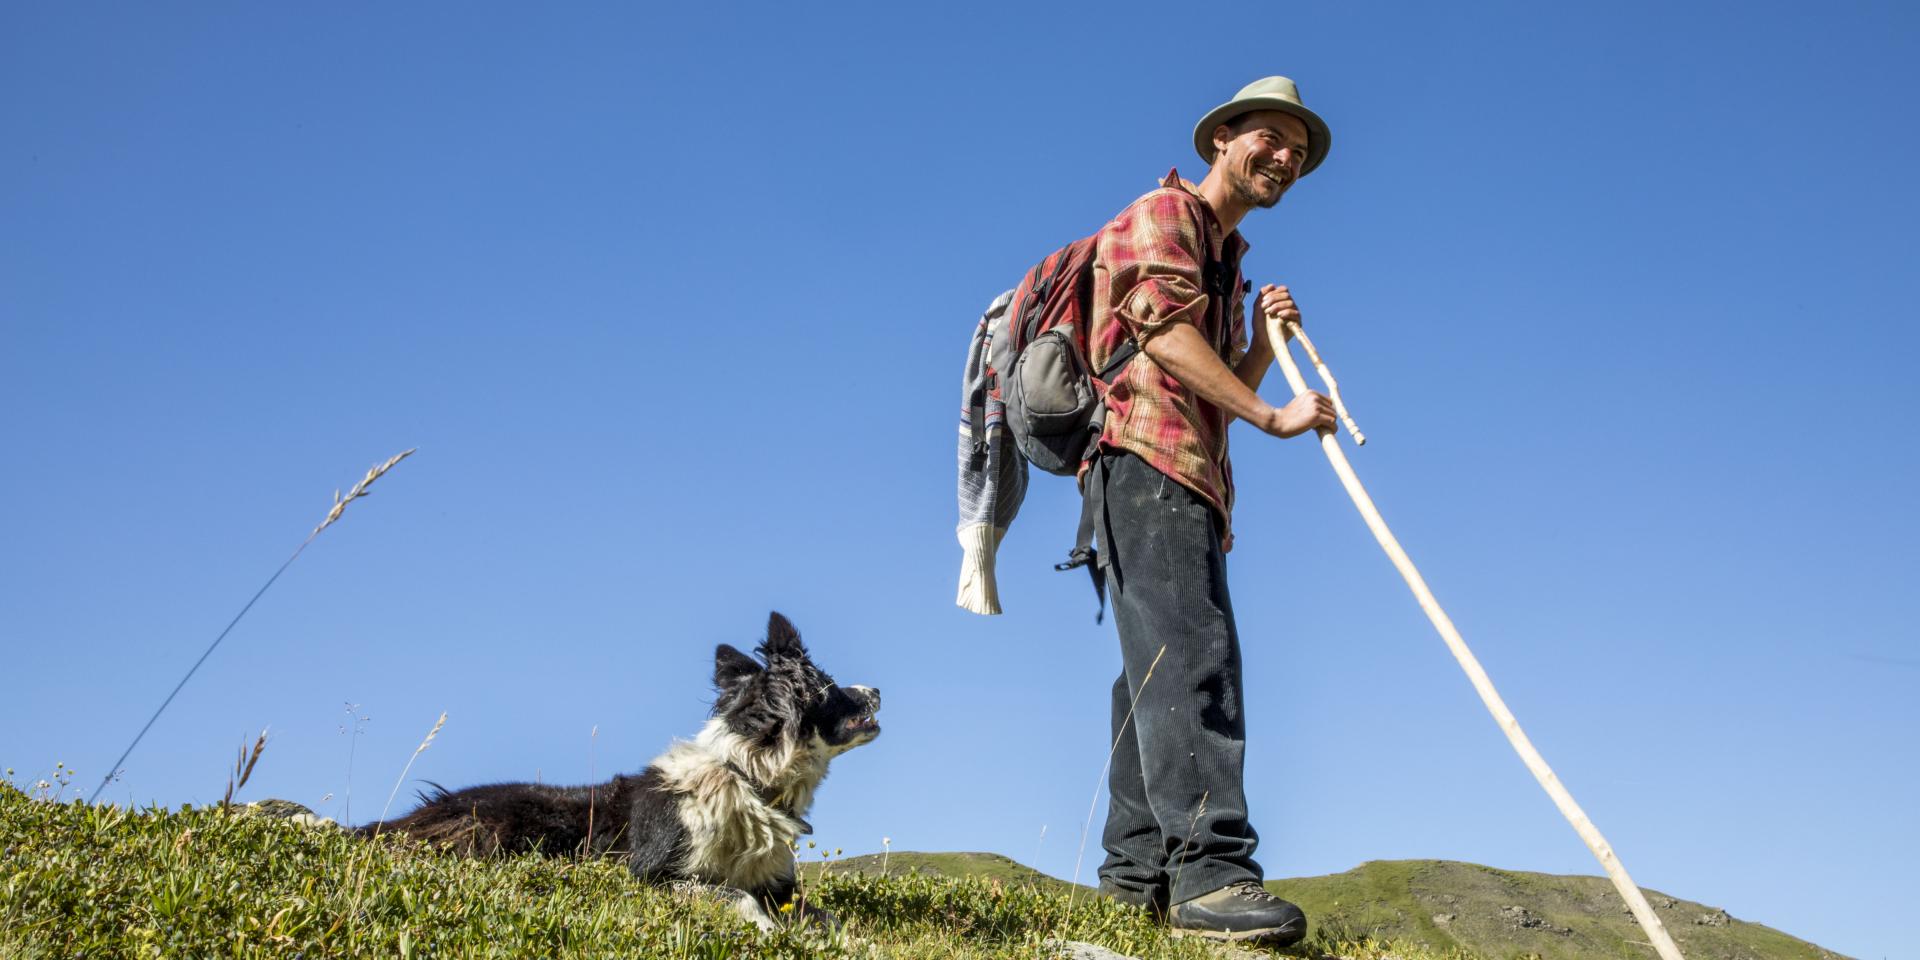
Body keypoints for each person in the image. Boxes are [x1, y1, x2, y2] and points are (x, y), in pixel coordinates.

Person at [1086, 76, 1338, 946]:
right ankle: (1213, 879)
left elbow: (1211, 381)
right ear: (1223, 138)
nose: (1285, 159)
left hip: (1175, 470)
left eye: (1298, 154)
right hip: (1148, 462)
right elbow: (1159, 330)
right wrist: (1273, 417)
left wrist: (1260, 352)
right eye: (1271, 139)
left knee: (1152, 675)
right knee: (1194, 654)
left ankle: (1136, 887)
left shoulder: (1225, 258)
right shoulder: (1166, 213)